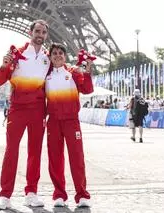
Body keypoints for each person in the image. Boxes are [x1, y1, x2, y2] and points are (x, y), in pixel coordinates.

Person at [0, 19, 50, 210]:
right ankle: (5, 195)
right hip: (17, 109)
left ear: (46, 35)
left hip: (37, 110)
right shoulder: (16, 54)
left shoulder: (48, 57)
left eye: (43, 32)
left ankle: (31, 193)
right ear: (30, 31)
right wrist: (4, 65)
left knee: (35, 152)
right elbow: (0, 80)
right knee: (11, 150)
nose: (40, 35)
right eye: (37, 31)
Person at [45, 43, 93, 208]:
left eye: (60, 53)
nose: (57, 55)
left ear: (65, 57)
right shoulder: (46, 76)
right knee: (55, 159)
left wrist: (86, 71)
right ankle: (59, 194)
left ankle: (82, 195)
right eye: (54, 54)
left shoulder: (72, 73)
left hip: (71, 121)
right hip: (53, 122)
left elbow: (87, 89)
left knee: (76, 158)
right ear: (50, 58)